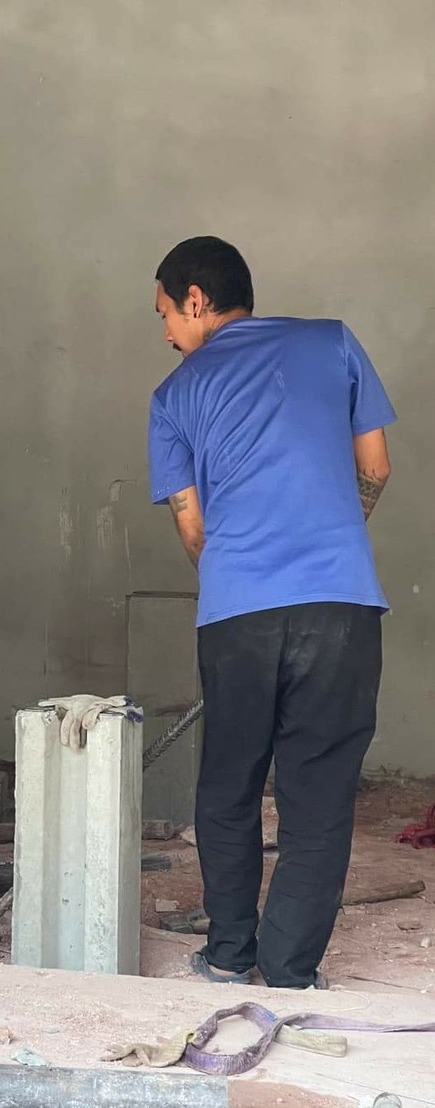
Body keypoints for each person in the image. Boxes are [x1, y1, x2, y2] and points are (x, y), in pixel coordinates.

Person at [147, 236, 395, 990]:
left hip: (238, 612)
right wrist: (326, 540)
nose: (166, 333)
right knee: (317, 792)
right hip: (341, 602)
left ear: (196, 300)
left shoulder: (173, 397)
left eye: (165, 314)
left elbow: (192, 525)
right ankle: (290, 970)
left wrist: (241, 574)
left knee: (229, 785)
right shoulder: (334, 343)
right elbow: (375, 466)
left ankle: (229, 954)